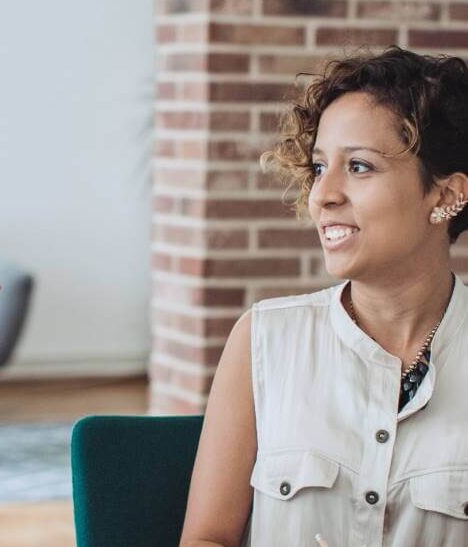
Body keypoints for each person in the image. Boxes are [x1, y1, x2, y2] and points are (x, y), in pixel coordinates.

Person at [179, 46, 468, 547]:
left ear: (445, 196)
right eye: (318, 168)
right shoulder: (262, 340)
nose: (323, 194)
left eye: (359, 167)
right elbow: (206, 539)